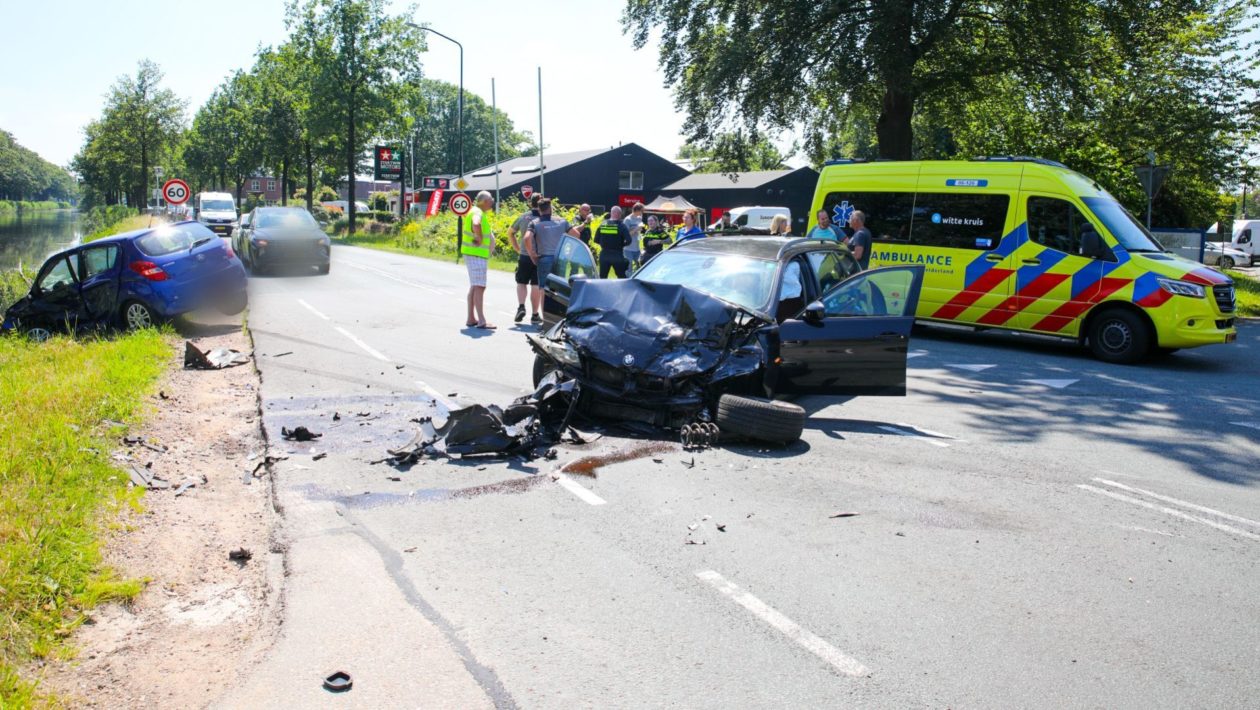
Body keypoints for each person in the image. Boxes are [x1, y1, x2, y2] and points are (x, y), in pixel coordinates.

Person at [524, 198, 581, 314]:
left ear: (539, 210)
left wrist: (532, 255)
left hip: (544, 258)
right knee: (558, 288)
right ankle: (558, 316)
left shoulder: (535, 223)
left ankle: (545, 319)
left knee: (544, 289)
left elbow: (526, 238)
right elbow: (576, 235)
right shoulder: (562, 221)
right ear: (550, 208)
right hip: (560, 259)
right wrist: (567, 252)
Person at [507, 193, 543, 323]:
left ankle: (521, 307)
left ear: (530, 203)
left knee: (521, 282)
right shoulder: (545, 218)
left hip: (524, 255)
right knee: (536, 284)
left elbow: (510, 233)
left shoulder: (523, 217)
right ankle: (534, 315)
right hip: (539, 256)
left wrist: (517, 248)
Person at [464, 191, 496, 329]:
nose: (492, 201)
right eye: (490, 199)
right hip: (476, 255)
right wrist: (479, 237)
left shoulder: (475, 211)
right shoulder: (477, 212)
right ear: (484, 201)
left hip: (473, 254)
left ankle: (471, 318)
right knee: (479, 287)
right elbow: (476, 224)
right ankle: (481, 320)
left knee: (474, 286)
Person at [595, 205, 632, 278]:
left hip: (604, 254)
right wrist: (621, 245)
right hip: (617, 254)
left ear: (611, 213)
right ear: (619, 214)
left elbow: (596, 239)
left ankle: (602, 289)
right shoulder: (622, 225)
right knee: (621, 276)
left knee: (602, 277)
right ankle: (623, 289)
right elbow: (629, 240)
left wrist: (605, 244)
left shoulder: (603, 224)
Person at [622, 202, 645, 269]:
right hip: (628, 249)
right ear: (637, 210)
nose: (642, 212)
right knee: (629, 268)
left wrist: (640, 230)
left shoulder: (639, 218)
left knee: (639, 268)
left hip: (637, 248)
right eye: (642, 210)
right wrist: (636, 229)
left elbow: (639, 231)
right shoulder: (627, 220)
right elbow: (625, 235)